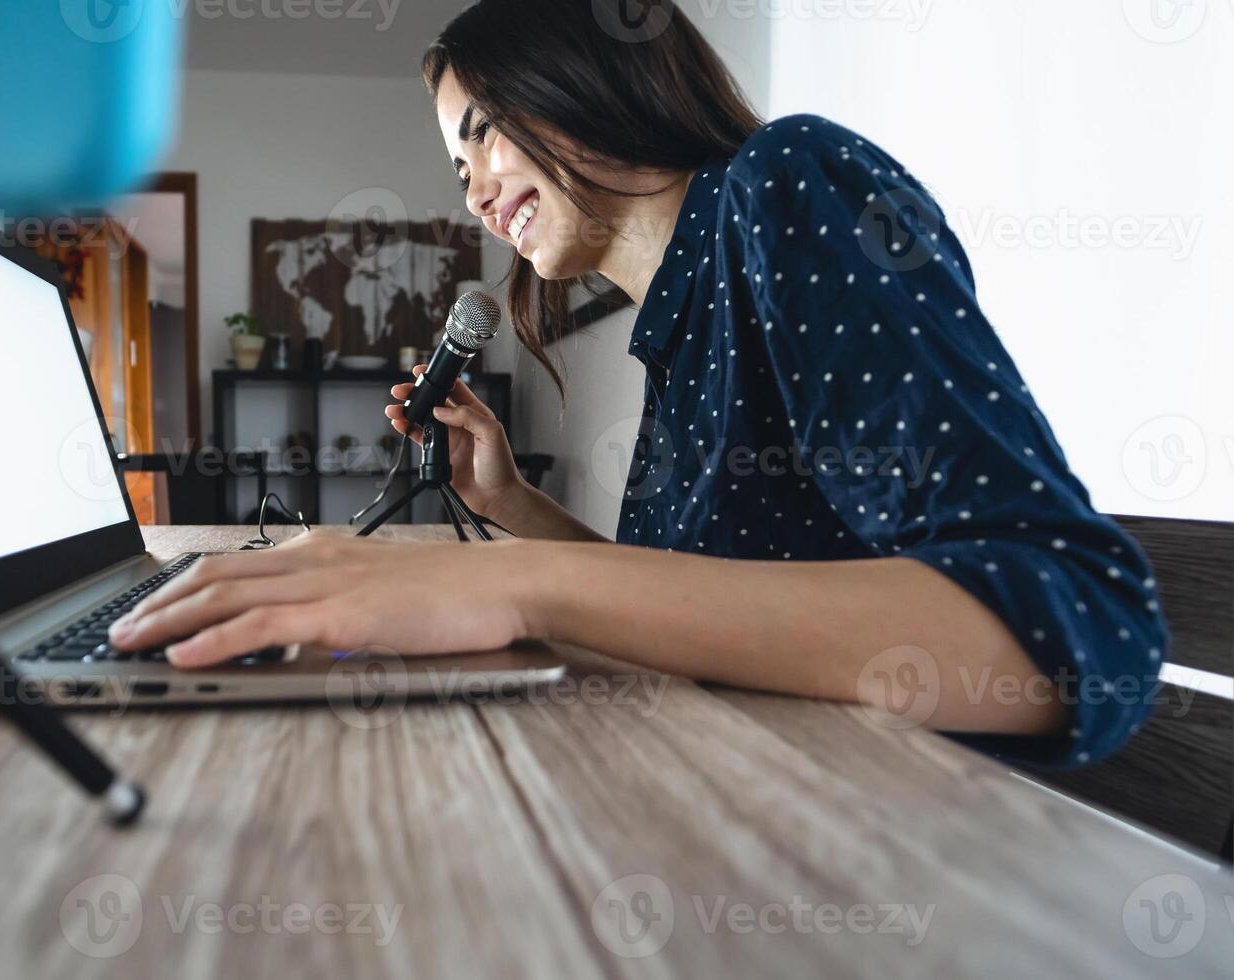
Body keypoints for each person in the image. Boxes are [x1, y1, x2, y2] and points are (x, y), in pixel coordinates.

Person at [111, 0, 1167, 767]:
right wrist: (514, 510)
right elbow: (700, 597)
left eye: (479, 133)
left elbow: (1076, 620)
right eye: (454, 169)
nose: (474, 191)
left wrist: (503, 580)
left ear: (586, 70)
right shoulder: (675, 323)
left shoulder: (787, 185)